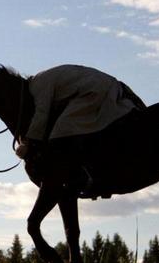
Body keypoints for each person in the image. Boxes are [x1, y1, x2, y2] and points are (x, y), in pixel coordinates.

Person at [15, 64, 146, 195]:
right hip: (103, 85)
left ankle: (78, 177)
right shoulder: (43, 78)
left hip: (95, 90)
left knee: (63, 129)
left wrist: (28, 143)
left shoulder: (37, 86)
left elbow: (42, 114)